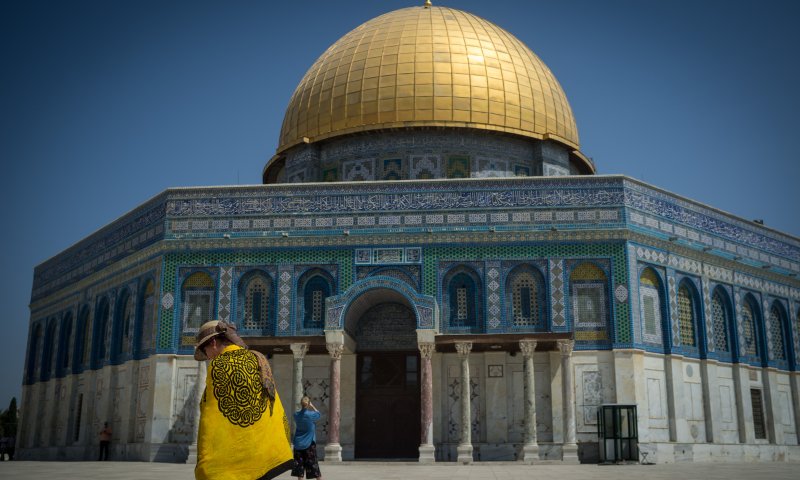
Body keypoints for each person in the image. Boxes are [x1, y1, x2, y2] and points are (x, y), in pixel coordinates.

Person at [194, 320, 293, 480]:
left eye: (205, 351)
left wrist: (206, 459)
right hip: (268, 451)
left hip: (237, 462)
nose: (207, 356)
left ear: (213, 342)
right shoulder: (258, 358)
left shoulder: (219, 365)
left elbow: (211, 416)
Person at [291, 396, 322, 480]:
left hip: (298, 444)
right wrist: (312, 406)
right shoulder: (311, 415)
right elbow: (319, 414)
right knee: (314, 467)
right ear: (308, 404)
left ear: (301, 404)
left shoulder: (296, 415)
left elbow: (298, 415)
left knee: (299, 468)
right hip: (309, 444)